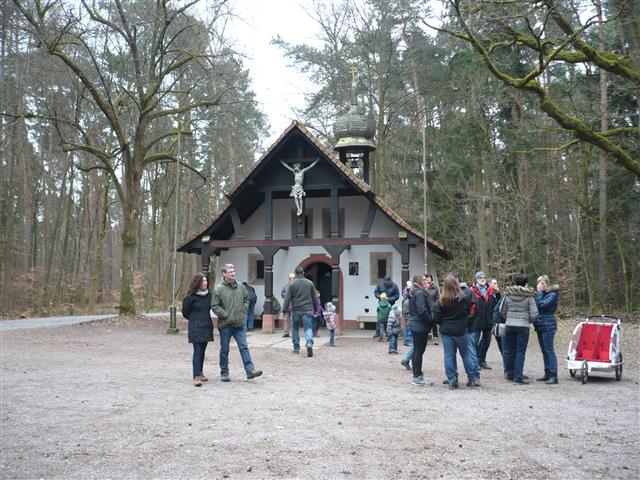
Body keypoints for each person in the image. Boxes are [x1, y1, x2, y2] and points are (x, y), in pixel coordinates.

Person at [211, 264, 263, 382]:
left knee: (244, 347)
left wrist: (242, 312)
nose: (233, 273)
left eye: (233, 271)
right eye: (230, 271)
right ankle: (224, 373)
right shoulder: (218, 289)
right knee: (225, 349)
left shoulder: (241, 287)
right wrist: (225, 315)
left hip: (239, 324)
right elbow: (214, 305)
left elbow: (246, 300)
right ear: (224, 274)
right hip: (225, 324)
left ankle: (250, 371)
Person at [434, 274, 478, 389]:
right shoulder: (464, 298)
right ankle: (472, 378)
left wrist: (443, 323)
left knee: (449, 355)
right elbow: (469, 312)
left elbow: (437, 316)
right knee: (466, 354)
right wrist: (464, 322)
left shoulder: (442, 301)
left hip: (447, 330)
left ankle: (452, 379)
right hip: (461, 330)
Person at [499, 273, 538, 384]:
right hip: (523, 326)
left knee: (509, 351)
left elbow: (502, 310)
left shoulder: (507, 295)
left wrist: (508, 318)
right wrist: (528, 320)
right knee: (520, 352)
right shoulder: (529, 296)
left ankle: (510, 374)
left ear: (515, 282)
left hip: (509, 325)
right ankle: (518, 376)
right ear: (525, 283)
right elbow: (534, 313)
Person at [181, 273, 214, 387]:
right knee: (197, 351)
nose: (205, 283)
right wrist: (194, 319)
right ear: (197, 283)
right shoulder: (190, 297)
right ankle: (196, 376)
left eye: (206, 281)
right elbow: (185, 312)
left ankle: (200, 372)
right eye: (203, 281)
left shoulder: (209, 295)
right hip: (195, 326)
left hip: (206, 325)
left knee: (203, 351)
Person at [282, 265, 318, 357]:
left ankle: (296, 347)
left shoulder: (292, 284)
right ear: (303, 273)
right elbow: (314, 298)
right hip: (307, 309)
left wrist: (284, 310)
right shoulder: (310, 283)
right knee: (308, 328)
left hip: (296, 309)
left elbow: (287, 298)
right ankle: (309, 343)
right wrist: (315, 310)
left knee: (295, 328)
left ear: (295, 273)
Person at [409, 274, 434, 387]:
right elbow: (422, 311)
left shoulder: (416, 292)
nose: (426, 281)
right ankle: (417, 377)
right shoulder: (419, 293)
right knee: (418, 351)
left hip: (417, 325)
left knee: (417, 351)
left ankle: (417, 375)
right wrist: (431, 320)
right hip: (419, 325)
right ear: (419, 282)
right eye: (424, 280)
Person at [534, 275, 560, 385]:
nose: (540, 284)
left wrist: (539, 293)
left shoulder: (552, 294)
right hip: (540, 324)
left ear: (547, 284)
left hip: (548, 325)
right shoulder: (542, 294)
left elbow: (542, 305)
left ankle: (553, 375)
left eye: (543, 282)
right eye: (539, 282)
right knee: (544, 351)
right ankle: (547, 373)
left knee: (549, 350)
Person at [469, 271, 497, 370]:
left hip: (488, 320)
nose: (482, 279)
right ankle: (474, 362)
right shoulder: (471, 291)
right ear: (476, 279)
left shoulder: (491, 291)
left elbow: (495, 304)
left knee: (486, 342)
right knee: (474, 342)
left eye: (483, 277)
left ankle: (482, 360)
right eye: (480, 277)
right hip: (476, 321)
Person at [424, 274, 440, 345]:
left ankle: (435, 338)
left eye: (429, 278)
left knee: (434, 323)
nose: (428, 279)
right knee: (426, 323)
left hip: (433, 308)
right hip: (425, 308)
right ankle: (425, 338)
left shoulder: (435, 287)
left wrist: (435, 305)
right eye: (427, 278)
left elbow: (438, 297)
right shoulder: (423, 287)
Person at [490, 278, 504, 356]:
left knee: (500, 339)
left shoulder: (497, 294)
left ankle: (504, 355)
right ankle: (480, 357)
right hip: (489, 319)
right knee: (485, 340)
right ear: (490, 284)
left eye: (496, 283)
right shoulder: (488, 294)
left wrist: (498, 293)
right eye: (494, 283)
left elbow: (500, 304)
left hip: (497, 320)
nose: (497, 285)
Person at [281, 273, 295, 337]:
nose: (292, 280)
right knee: (286, 319)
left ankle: (294, 332)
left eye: (293, 278)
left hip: (294, 305)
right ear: (289, 279)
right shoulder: (286, 286)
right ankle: (286, 332)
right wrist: (286, 296)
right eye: (291, 278)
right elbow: (282, 293)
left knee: (294, 319)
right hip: (287, 304)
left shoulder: (296, 286)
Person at [401, 280, 413, 346]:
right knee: (408, 328)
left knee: (408, 327)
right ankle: (407, 341)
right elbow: (406, 312)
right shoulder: (407, 301)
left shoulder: (406, 300)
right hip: (408, 316)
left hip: (408, 315)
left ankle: (408, 340)